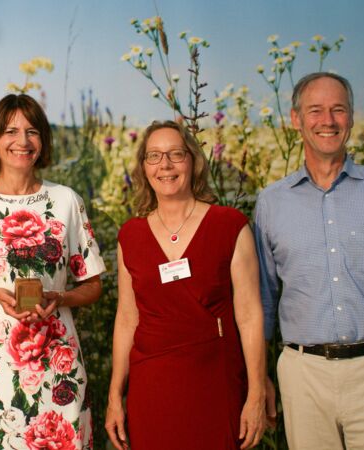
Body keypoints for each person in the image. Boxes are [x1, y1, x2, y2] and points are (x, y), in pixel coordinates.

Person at [0, 93, 105, 449]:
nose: (22, 142)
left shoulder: (67, 201)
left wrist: (60, 296)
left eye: (32, 131)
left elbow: (92, 285)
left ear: (43, 140)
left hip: (58, 362)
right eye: (11, 131)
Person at [105, 120, 266, 450]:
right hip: (152, 389)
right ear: (144, 168)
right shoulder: (130, 236)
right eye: (154, 156)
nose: (165, 165)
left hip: (215, 384)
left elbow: (249, 317)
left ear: (193, 161)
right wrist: (114, 397)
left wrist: (256, 394)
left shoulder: (230, 226)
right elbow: (126, 320)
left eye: (176, 154)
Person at [254, 72, 364, 449]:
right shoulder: (270, 203)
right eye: (315, 110)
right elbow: (264, 301)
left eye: (338, 110)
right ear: (296, 119)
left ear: (351, 117)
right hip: (304, 375)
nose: (327, 121)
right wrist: (259, 377)